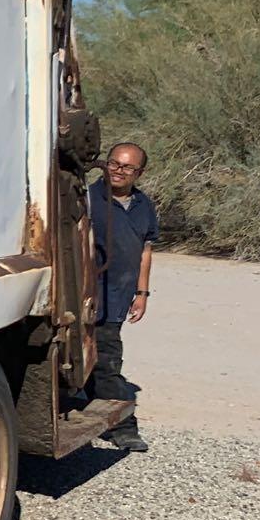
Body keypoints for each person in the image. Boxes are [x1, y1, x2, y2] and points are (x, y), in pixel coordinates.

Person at [86, 142, 157, 452]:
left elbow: (145, 251)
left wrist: (142, 293)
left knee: (105, 359)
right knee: (101, 362)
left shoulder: (144, 205)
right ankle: (121, 426)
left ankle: (120, 425)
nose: (118, 170)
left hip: (118, 296)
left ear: (138, 173)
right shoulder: (87, 199)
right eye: (114, 163)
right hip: (86, 295)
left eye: (127, 167)